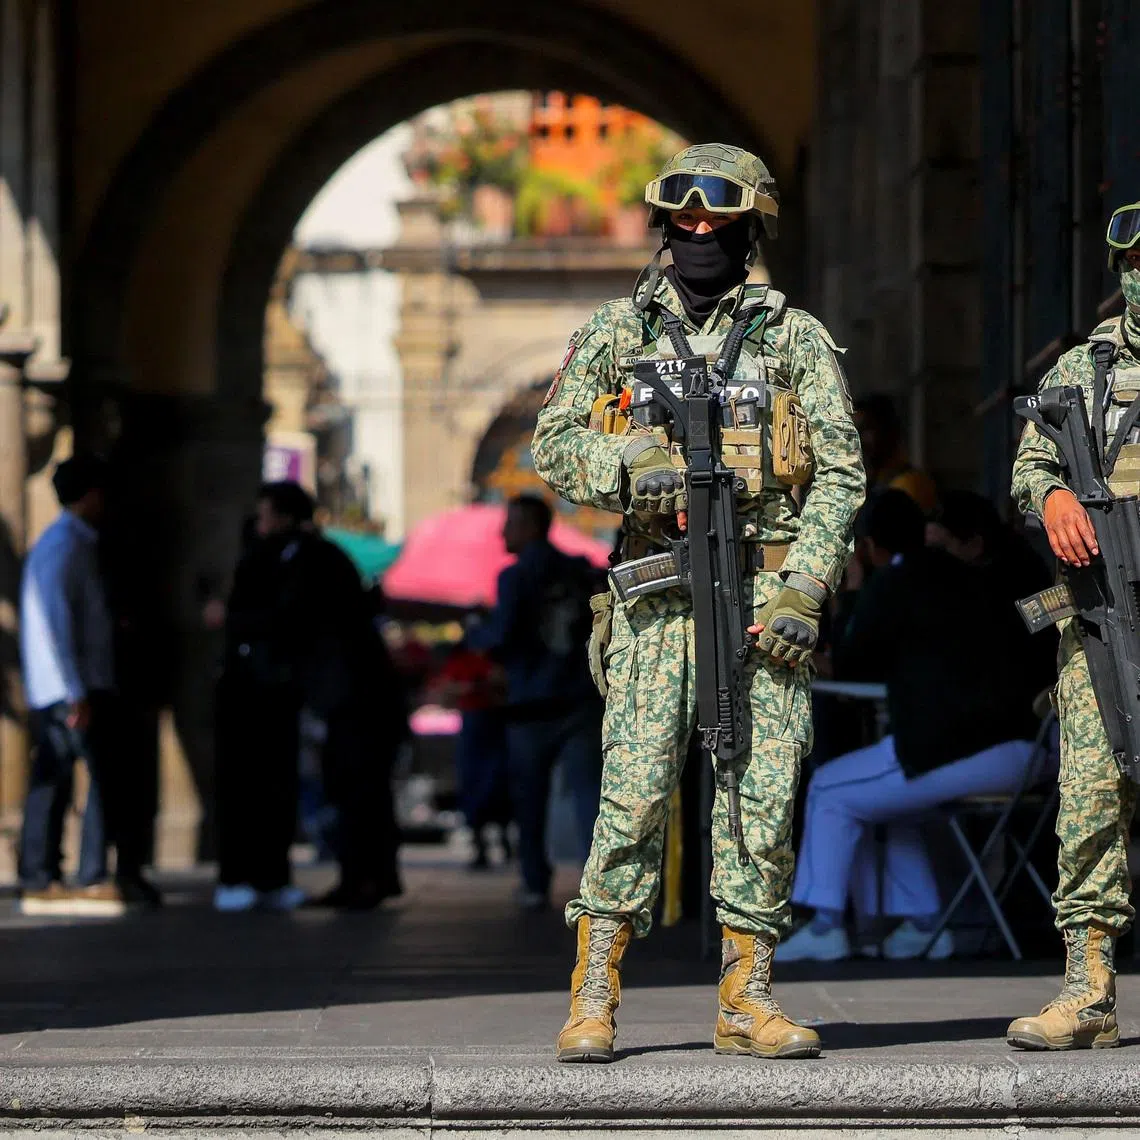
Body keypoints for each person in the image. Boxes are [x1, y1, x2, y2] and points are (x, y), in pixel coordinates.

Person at [532, 143, 865, 1062]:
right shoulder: (615, 330)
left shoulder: (790, 336)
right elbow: (553, 442)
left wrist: (807, 582)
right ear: (663, 227)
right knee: (633, 793)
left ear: (749, 231)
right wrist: (623, 467)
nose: (700, 237)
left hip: (764, 594)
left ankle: (745, 995)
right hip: (656, 595)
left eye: (719, 225)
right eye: (685, 223)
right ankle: (594, 989)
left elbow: (840, 473)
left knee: (759, 794)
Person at [777, 490, 1054, 963]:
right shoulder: (995, 579)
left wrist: (854, 589)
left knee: (830, 789)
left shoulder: (905, 582)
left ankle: (825, 927)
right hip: (1028, 748)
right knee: (879, 804)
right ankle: (923, 926)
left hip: (968, 747)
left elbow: (852, 664)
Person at [1006, 200, 1140, 1050]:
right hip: (1102, 616)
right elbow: (1028, 463)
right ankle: (1088, 991)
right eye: (1135, 264)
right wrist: (1051, 496)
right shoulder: (1079, 373)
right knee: (1091, 797)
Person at [466, 495, 603, 909]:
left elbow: (502, 637)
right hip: (580, 699)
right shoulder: (580, 570)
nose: (502, 532)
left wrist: (475, 628)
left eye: (509, 523)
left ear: (527, 526)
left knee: (530, 799)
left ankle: (534, 881)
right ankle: (599, 884)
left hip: (531, 704)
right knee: (588, 798)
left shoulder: (515, 577)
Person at [18, 457, 124, 916]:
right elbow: (54, 624)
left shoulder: (70, 543)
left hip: (72, 684)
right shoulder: (64, 546)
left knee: (56, 777)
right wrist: (73, 689)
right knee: (88, 777)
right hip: (71, 687)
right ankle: (84, 873)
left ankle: (46, 873)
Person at [854, 393, 938, 514]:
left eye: (865, 429)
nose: (857, 440)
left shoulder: (908, 486)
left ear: (889, 431)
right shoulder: (874, 482)